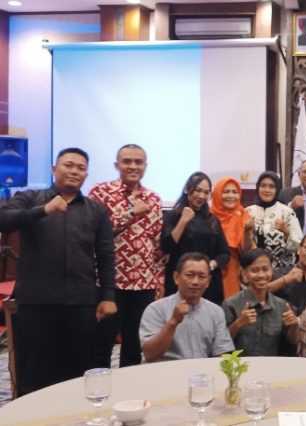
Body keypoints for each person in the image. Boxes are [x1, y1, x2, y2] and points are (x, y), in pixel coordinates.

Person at [0, 147, 116, 395]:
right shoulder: (31, 197)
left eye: (81, 168)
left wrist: (108, 296)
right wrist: (44, 210)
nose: (74, 171)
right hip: (37, 302)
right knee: (34, 373)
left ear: (86, 175)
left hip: (81, 302)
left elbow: (106, 255)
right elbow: (4, 220)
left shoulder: (96, 210)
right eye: (68, 165)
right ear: (54, 169)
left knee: (77, 373)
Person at [89, 144, 165, 368]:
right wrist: (131, 213)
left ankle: (128, 388)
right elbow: (95, 232)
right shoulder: (101, 192)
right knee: (101, 343)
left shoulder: (153, 198)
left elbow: (157, 243)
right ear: (117, 165)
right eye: (127, 161)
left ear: (145, 166)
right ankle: (98, 387)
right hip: (109, 282)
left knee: (134, 344)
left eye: (138, 162)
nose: (133, 166)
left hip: (144, 283)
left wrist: (159, 279)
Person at [139, 252, 234, 362]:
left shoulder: (216, 312)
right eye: (190, 275)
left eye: (202, 276)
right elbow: (149, 355)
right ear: (176, 277)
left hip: (201, 371)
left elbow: (221, 354)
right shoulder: (156, 309)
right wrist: (173, 322)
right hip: (165, 370)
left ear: (208, 281)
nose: (195, 282)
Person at [161, 172, 231, 305]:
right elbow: (166, 247)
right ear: (187, 189)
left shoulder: (212, 219)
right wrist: (183, 221)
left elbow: (224, 253)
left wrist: (211, 265)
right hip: (180, 282)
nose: (202, 196)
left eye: (206, 192)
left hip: (207, 284)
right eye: (198, 190)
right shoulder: (171, 216)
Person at [222, 249, 299, 356]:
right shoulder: (230, 304)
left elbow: (292, 341)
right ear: (244, 274)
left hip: (270, 364)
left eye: (265, 269)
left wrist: (294, 325)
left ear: (272, 270)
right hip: (239, 365)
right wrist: (238, 324)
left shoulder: (282, 305)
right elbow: (221, 344)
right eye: (255, 270)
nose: (261, 275)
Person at [246, 171, 302, 276]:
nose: (267, 190)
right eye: (263, 186)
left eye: (272, 187)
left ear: (277, 190)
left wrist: (286, 232)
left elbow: (299, 247)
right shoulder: (248, 212)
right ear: (258, 188)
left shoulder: (287, 212)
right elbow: (242, 248)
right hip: (254, 273)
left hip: (283, 273)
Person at [211, 177, 254, 299]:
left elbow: (246, 250)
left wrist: (247, 231)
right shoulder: (208, 216)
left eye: (235, 192)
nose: (231, 196)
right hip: (211, 269)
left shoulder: (244, 216)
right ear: (217, 194)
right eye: (226, 192)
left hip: (234, 270)